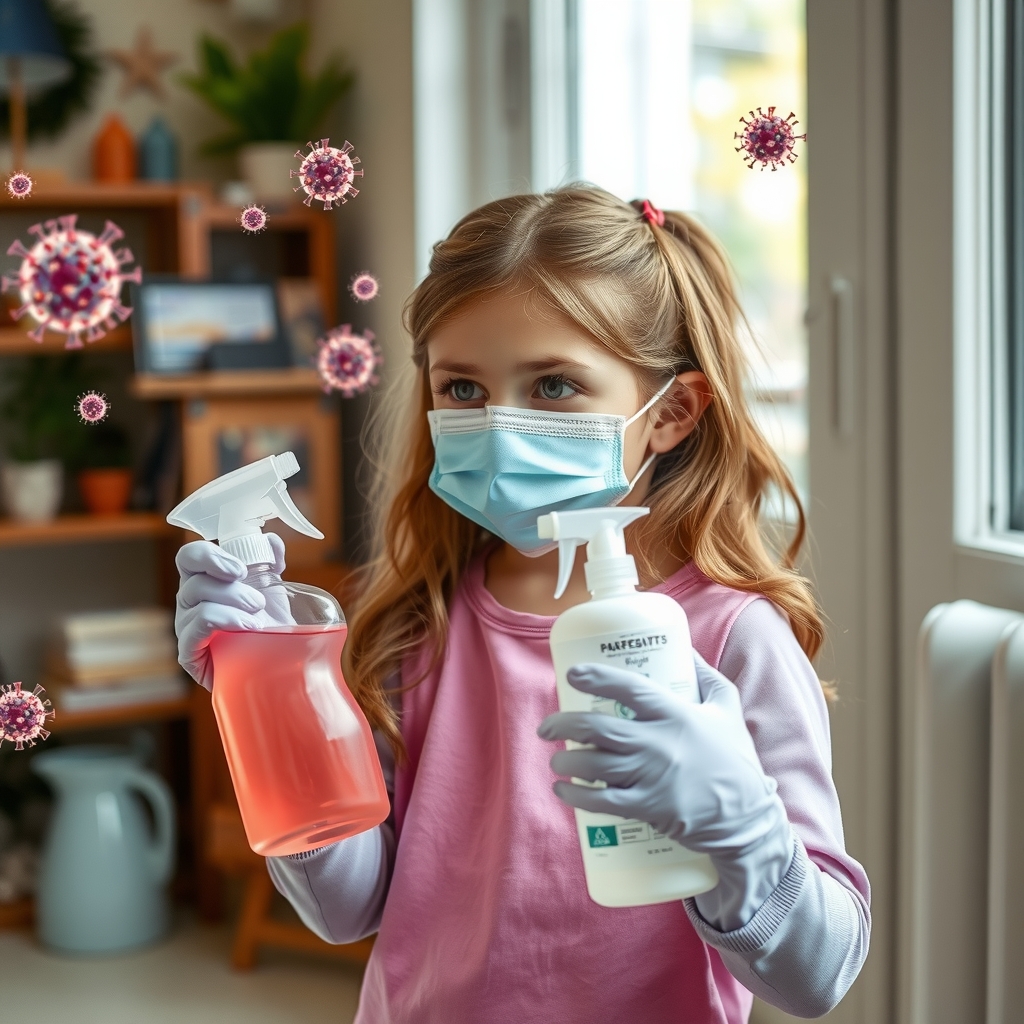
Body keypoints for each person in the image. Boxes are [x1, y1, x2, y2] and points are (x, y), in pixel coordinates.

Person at [175, 187, 869, 1023]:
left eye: (553, 385)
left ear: (672, 413)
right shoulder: (415, 624)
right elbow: (345, 909)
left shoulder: (732, 640)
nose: (500, 426)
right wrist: (269, 700)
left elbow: (818, 975)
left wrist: (742, 832)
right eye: (463, 389)